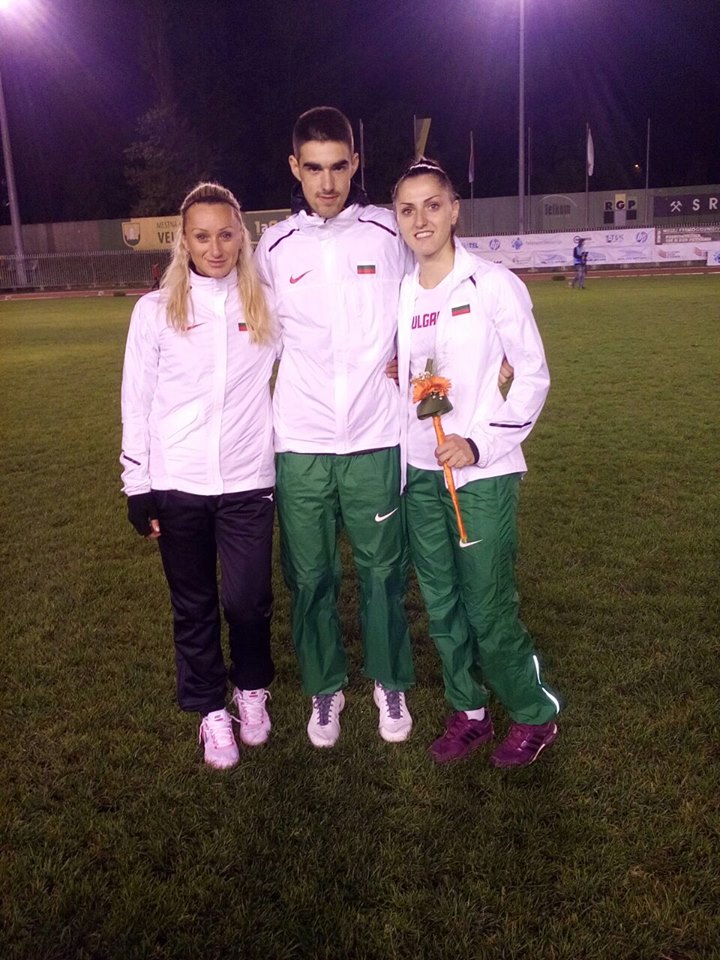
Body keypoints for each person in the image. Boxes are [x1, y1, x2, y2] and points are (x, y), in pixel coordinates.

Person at [254, 107, 414, 748]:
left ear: (355, 164)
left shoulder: (387, 232)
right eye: (314, 168)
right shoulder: (273, 247)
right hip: (300, 442)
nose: (327, 182)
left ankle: (389, 680)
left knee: (382, 572)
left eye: (338, 167)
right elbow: (254, 338)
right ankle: (325, 689)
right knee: (310, 576)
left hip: (375, 437)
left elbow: (426, 302)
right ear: (295, 167)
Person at [392, 158, 560, 768]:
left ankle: (534, 714)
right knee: (440, 604)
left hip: (481, 474)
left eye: (432, 205)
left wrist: (479, 443)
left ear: (454, 209)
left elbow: (533, 375)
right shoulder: (403, 292)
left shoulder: (491, 284)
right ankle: (469, 711)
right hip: (420, 473)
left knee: (488, 606)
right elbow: (409, 375)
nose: (421, 220)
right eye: (407, 209)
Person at [120, 182, 277, 770]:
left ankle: (252, 690)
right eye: (202, 236)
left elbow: (319, 357)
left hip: (247, 483)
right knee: (194, 606)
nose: (215, 248)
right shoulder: (154, 311)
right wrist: (137, 485)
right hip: (177, 484)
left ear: (242, 237)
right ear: (183, 242)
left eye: (226, 234)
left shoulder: (266, 304)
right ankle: (211, 709)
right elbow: (137, 401)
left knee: (248, 601)